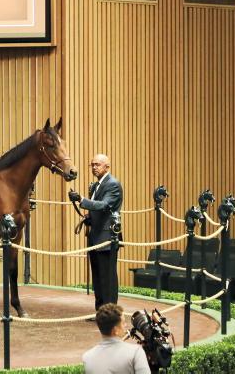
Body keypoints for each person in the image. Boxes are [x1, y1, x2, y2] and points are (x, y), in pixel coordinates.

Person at [70, 153, 124, 312]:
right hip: (95, 237)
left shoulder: (113, 184)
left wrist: (81, 200)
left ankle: (111, 313)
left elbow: (104, 205)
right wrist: (89, 217)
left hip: (107, 238)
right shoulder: (95, 185)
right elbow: (98, 210)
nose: (94, 167)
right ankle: (101, 312)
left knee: (107, 278)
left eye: (97, 164)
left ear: (107, 167)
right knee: (98, 278)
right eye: (92, 164)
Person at [82, 303, 151, 374]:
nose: (125, 325)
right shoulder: (136, 352)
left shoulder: (87, 357)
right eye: (123, 323)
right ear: (116, 330)